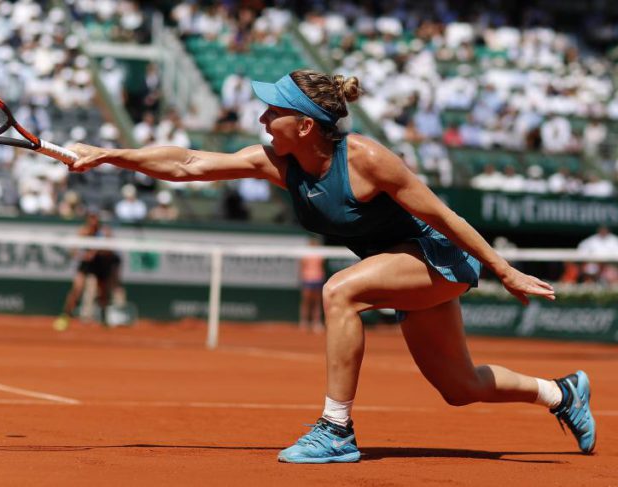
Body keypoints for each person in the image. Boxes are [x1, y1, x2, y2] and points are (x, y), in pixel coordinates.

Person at [64, 70, 594, 463]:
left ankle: (335, 429)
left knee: (339, 291)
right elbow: (188, 163)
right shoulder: (279, 163)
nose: (262, 118)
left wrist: (505, 270)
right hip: (396, 266)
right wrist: (110, 153)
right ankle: (562, 393)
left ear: (305, 123)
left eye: (273, 111)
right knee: (460, 388)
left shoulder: (367, 159)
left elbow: (446, 217)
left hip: (437, 259)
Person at [53, 214, 122, 331]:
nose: (93, 224)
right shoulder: (83, 232)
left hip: (101, 263)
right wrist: (84, 255)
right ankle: (65, 316)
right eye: (91, 221)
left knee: (103, 292)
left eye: (95, 221)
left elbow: (110, 251)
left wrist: (98, 251)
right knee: (76, 290)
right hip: (87, 264)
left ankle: (104, 318)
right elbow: (73, 252)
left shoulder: (105, 232)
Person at [299, 236, 325, 333]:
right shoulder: (305, 254)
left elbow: (321, 266)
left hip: (318, 279)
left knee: (317, 303)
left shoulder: (320, 254)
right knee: (306, 302)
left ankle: (316, 322)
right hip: (307, 279)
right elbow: (301, 267)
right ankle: (304, 322)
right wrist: (302, 279)